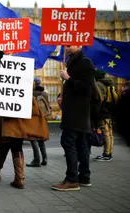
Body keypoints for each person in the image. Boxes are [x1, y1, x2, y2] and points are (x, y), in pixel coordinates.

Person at [52, 46, 94, 191]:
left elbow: (86, 88)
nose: (67, 48)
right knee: (81, 145)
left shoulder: (84, 62)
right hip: (76, 112)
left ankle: (72, 179)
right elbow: (73, 89)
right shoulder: (72, 62)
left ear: (80, 44)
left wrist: (68, 78)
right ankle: (84, 177)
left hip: (77, 113)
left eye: (70, 45)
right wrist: (62, 98)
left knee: (67, 142)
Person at [0, 98, 49, 189]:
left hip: (6, 113)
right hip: (20, 116)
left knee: (4, 144)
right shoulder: (27, 86)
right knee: (17, 146)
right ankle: (19, 179)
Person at [93, 71, 116, 162]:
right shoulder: (109, 84)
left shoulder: (99, 84)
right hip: (109, 112)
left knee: (105, 133)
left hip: (102, 112)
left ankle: (106, 154)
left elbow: (98, 99)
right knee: (110, 133)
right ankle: (109, 152)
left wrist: (95, 113)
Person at [26, 77, 49, 167]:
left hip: (34, 118)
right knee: (41, 139)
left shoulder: (31, 93)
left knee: (33, 139)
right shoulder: (45, 93)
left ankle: (36, 159)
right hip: (43, 118)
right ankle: (45, 157)